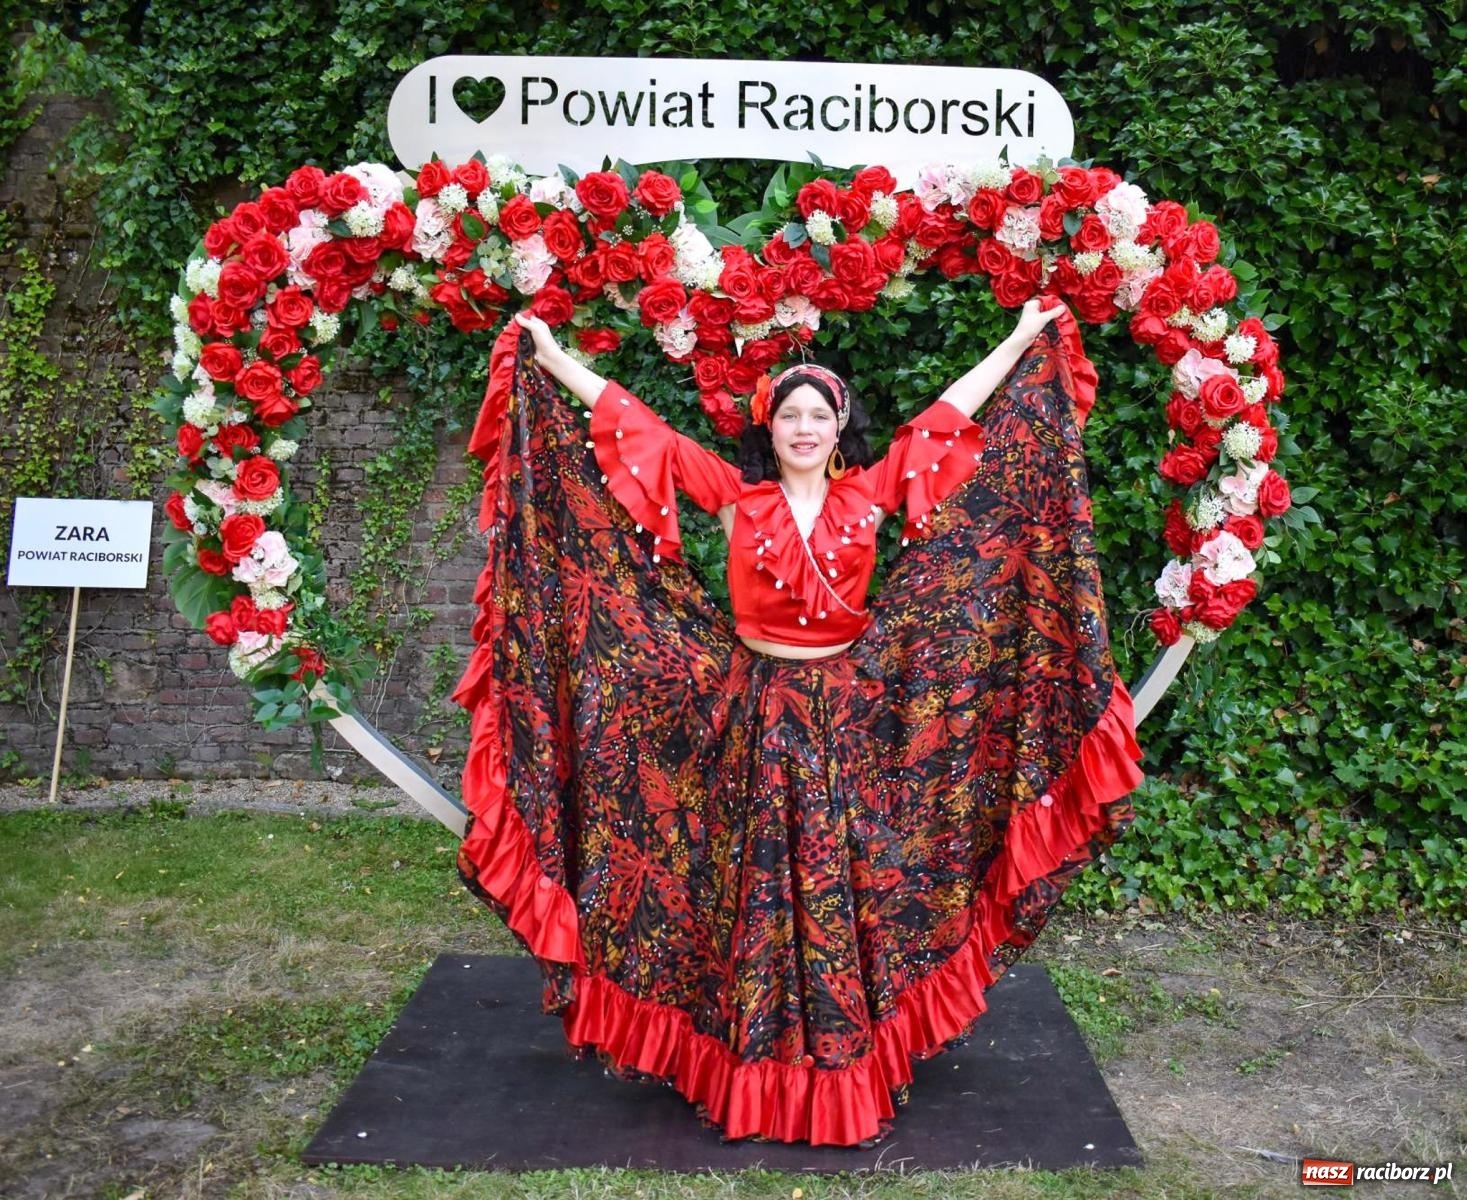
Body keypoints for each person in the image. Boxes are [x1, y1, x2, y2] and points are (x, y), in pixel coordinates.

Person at [451, 299, 1145, 1146]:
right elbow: (630, 425)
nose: (804, 427)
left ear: (840, 426)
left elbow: (950, 418)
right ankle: (746, 1064)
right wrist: (552, 356)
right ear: (769, 428)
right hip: (750, 710)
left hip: (847, 715)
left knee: (836, 882)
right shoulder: (735, 496)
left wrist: (1015, 340)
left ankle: (840, 1057)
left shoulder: (873, 492)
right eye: (790, 414)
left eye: (819, 414)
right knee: (750, 883)